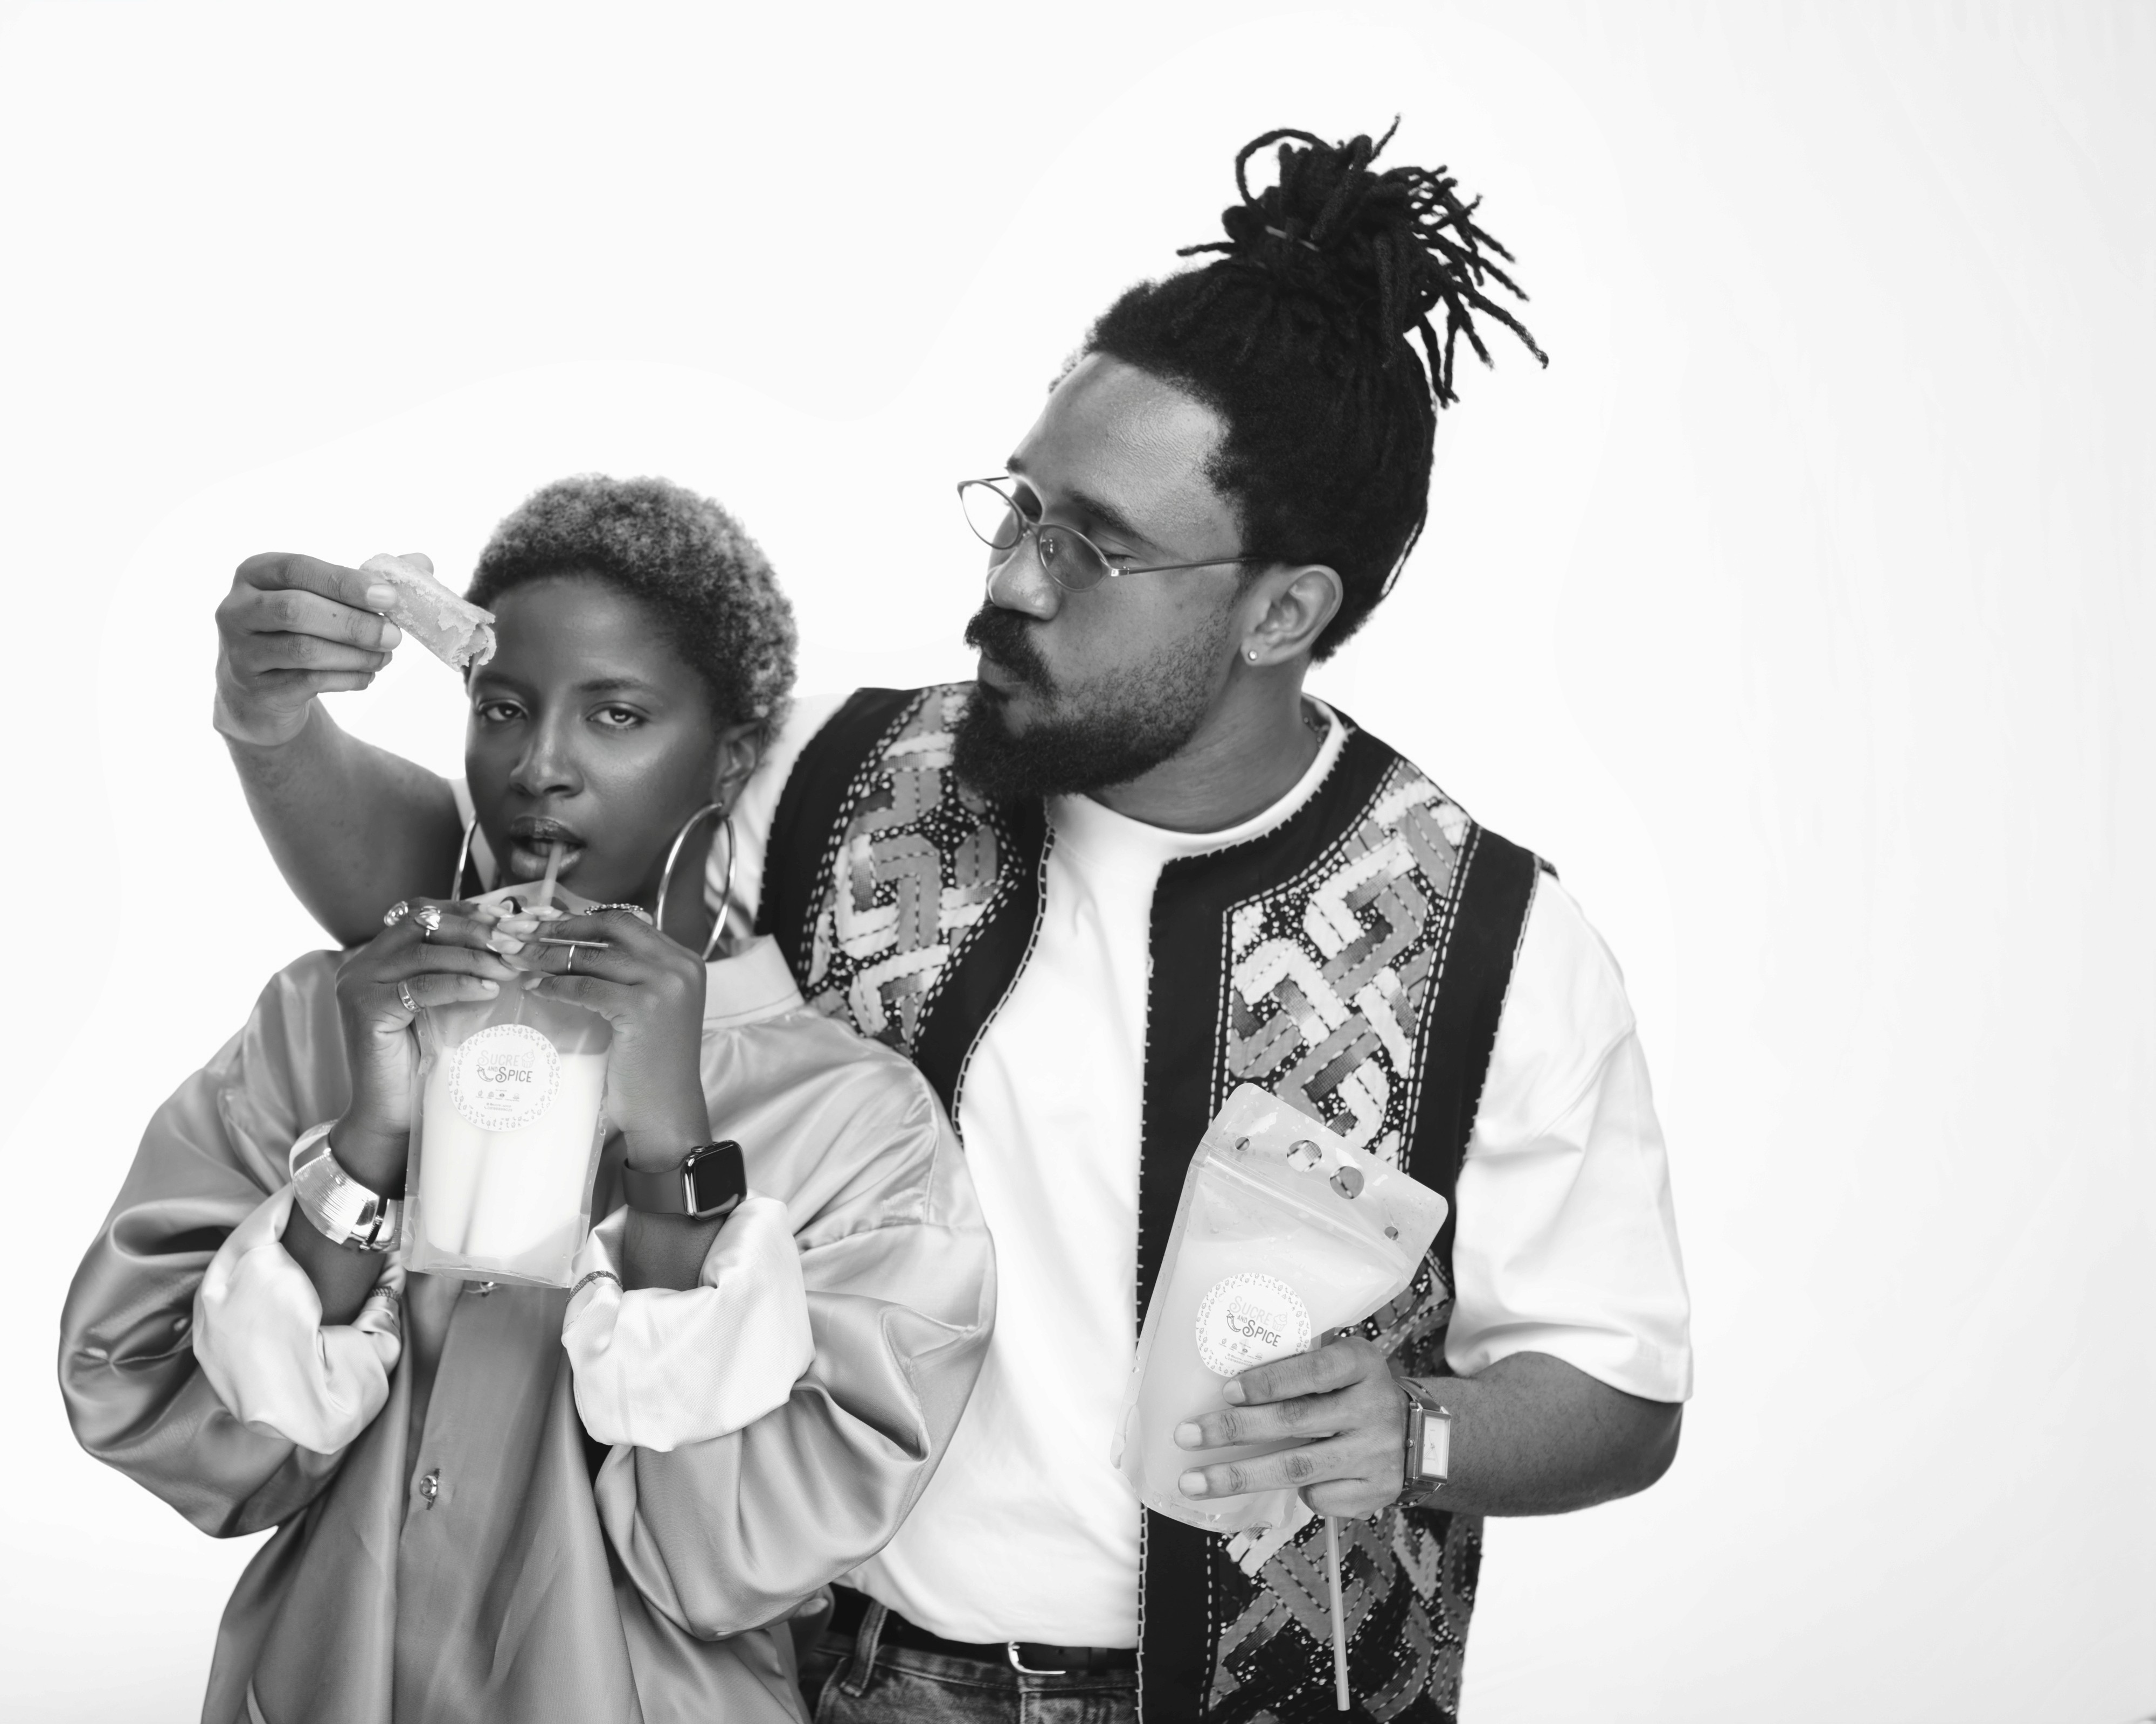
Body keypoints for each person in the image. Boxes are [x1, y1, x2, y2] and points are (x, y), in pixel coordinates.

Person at [204, 127, 1693, 1723]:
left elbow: (1618, 1393)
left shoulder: (1488, 941)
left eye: (1092, 546)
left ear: (1283, 610)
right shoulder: (834, 782)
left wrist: (1418, 1433)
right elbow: (467, 903)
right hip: (835, 1673)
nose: (1018, 582)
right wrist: (274, 730)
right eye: (1021, 508)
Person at [60, 476, 995, 1723]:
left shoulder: (855, 1123)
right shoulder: (326, 1022)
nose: (541, 767)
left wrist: (673, 1155)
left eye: (617, 714)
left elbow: (731, 1559)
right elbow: (158, 1415)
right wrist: (368, 1147)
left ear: (728, 755)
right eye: (502, 708)